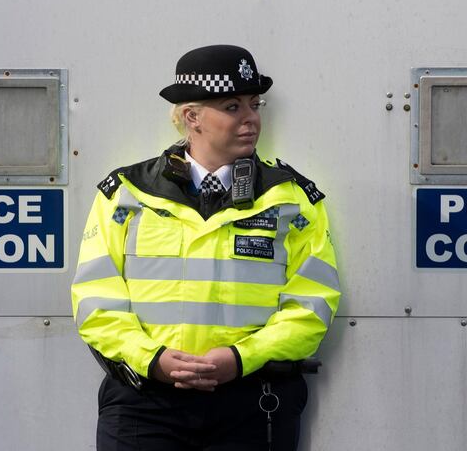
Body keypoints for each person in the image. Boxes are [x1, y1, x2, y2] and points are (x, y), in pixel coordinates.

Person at [71, 44, 340, 450]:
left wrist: (240, 358)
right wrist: (152, 359)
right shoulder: (127, 193)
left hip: (253, 401)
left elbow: (312, 305)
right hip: (144, 401)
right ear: (191, 117)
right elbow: (95, 300)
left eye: (255, 103)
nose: (251, 118)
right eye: (232, 107)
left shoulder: (290, 197)